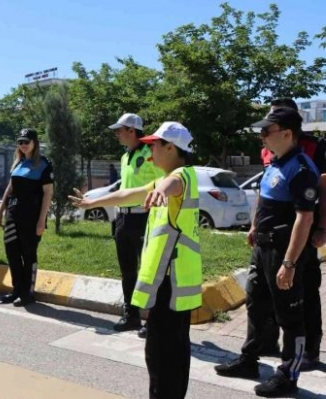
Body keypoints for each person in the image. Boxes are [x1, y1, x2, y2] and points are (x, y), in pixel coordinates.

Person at [70, 121, 202, 399]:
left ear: (171, 147)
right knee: (171, 353)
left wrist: (162, 190)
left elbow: (172, 184)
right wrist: (91, 202)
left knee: (162, 356)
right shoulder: (173, 176)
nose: (151, 151)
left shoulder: (181, 177)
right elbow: (128, 194)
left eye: (155, 145)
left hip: (171, 282)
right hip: (172, 282)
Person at [214, 107, 318, 397]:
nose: (261, 137)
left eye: (266, 131)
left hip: (284, 250)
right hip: (262, 247)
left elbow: (304, 218)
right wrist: (253, 226)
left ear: (287, 133)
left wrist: (290, 263)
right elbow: (265, 199)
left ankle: (288, 375)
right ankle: (249, 360)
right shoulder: (274, 163)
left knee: (289, 315)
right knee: (256, 306)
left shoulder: (300, 168)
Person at [255, 98, 324, 369]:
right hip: (272, 234)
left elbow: (323, 190)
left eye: (272, 117)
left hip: (302, 231)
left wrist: (322, 228)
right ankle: (266, 342)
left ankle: (309, 351)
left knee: (303, 293)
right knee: (266, 295)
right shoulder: (269, 149)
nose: (265, 126)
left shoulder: (313, 147)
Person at [105, 113, 164, 337]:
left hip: (144, 218)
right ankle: (131, 315)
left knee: (149, 272)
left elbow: (161, 184)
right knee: (127, 270)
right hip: (123, 218)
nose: (117, 134)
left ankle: (153, 319)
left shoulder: (150, 153)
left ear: (131, 130)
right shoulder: (125, 156)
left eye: (119, 130)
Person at [0, 129, 53, 307]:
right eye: (20, 142)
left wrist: (41, 220)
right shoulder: (18, 163)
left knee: (28, 254)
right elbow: (10, 188)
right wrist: (1, 210)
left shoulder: (44, 164)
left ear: (35, 142)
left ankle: (28, 293)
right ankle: (17, 289)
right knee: (12, 252)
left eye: (27, 141)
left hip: (31, 216)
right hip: (13, 213)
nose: (23, 145)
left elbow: (48, 194)